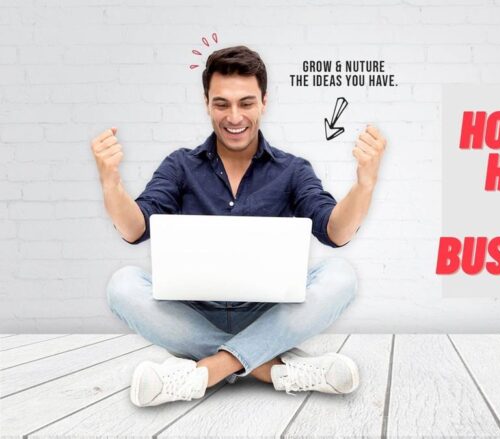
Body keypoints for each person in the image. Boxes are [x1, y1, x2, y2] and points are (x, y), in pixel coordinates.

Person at [90, 46, 386, 407]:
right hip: (193, 313)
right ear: (206, 103)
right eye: (222, 104)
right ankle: (274, 368)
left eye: (246, 103)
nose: (234, 117)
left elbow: (335, 232)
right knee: (122, 286)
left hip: (270, 313)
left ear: (264, 102)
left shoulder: (293, 170)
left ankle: (208, 370)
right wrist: (110, 184)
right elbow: (135, 228)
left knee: (342, 275)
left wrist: (365, 184)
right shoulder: (180, 166)